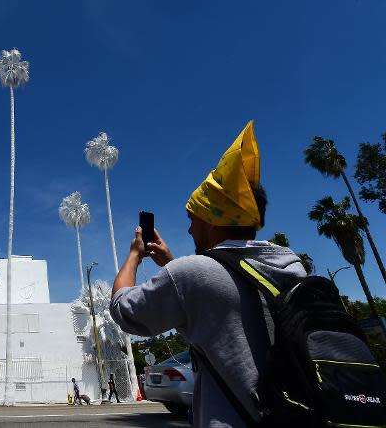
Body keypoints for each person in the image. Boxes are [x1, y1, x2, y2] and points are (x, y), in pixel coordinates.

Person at [109, 121, 306, 427]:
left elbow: (124, 309)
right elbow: (225, 298)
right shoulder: (289, 264)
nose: (189, 228)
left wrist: (135, 254)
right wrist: (172, 264)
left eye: (193, 219)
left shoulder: (192, 275)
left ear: (212, 221)